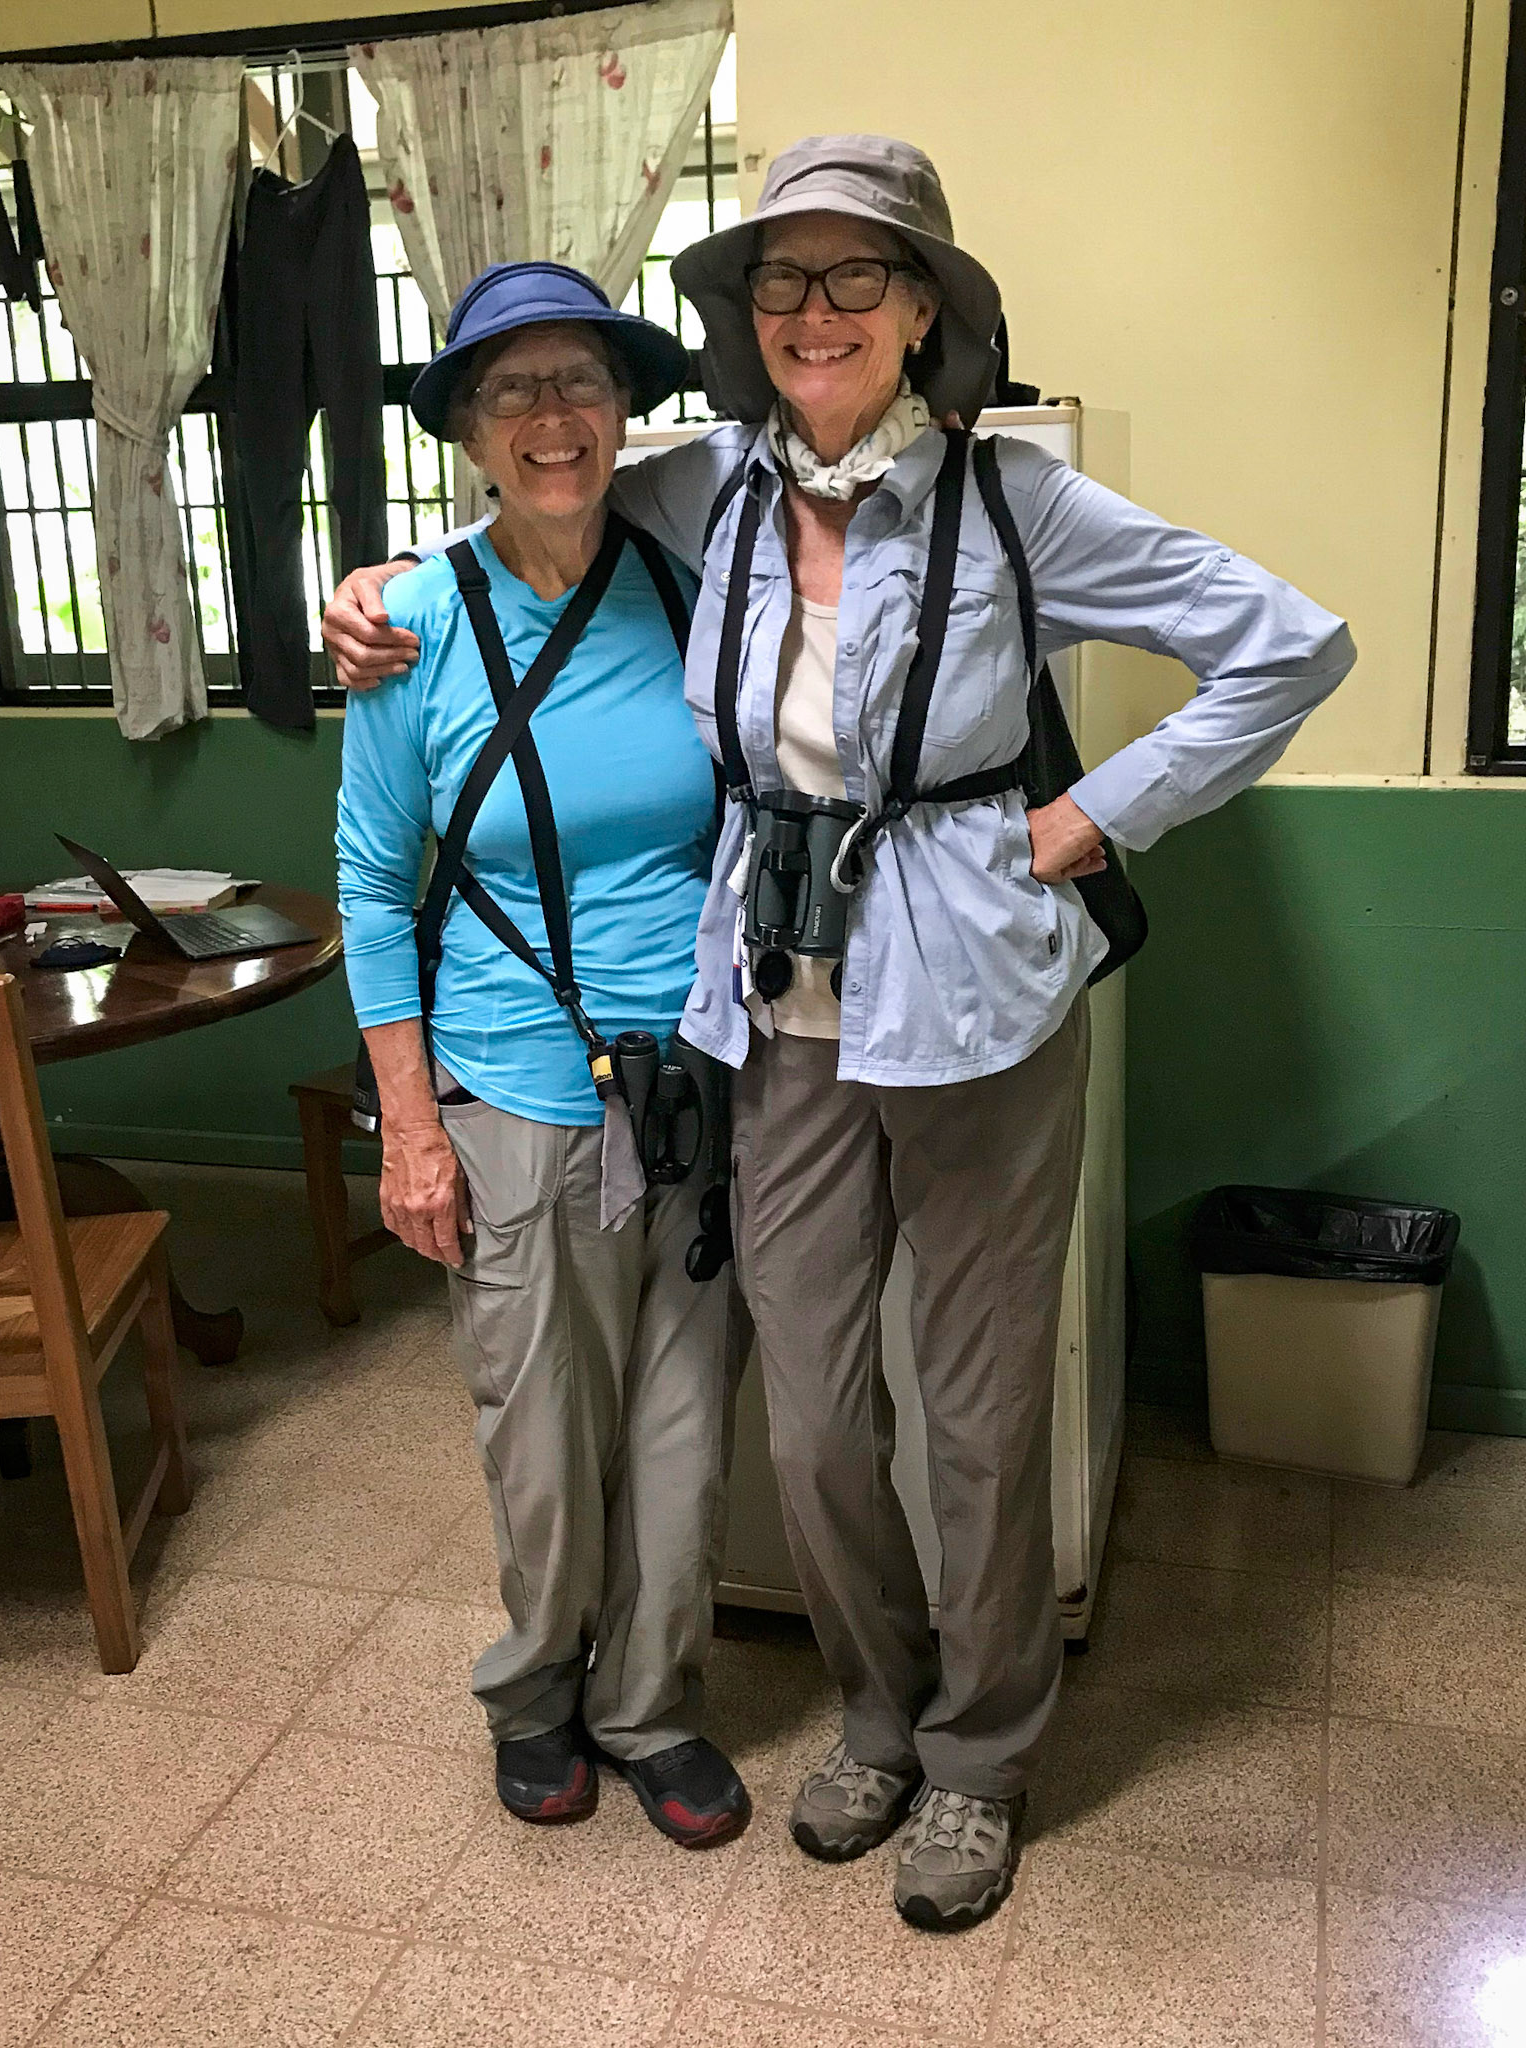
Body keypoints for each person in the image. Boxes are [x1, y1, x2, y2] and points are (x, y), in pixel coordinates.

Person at [324, 136, 1355, 1931]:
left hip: (973, 1008)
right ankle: (874, 1714)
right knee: (807, 1422)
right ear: (742, 319)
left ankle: (981, 1755)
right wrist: (376, 590)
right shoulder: (701, 489)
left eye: (856, 278)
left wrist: (1088, 817)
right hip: (777, 1017)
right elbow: (527, 515)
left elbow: (1289, 648)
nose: (815, 312)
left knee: (972, 1415)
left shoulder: (1016, 502)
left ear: (923, 310)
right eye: (782, 282)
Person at [335, 260, 749, 1850]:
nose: (552, 418)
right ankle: (537, 1697)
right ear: (467, 429)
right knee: (539, 1426)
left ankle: (654, 1707)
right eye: (512, 392)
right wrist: (409, 1126)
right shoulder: (414, 619)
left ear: (626, 410)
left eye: (578, 382)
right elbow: (376, 883)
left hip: (701, 1079)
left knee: (682, 1423)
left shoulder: (684, 576)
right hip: (509, 1084)